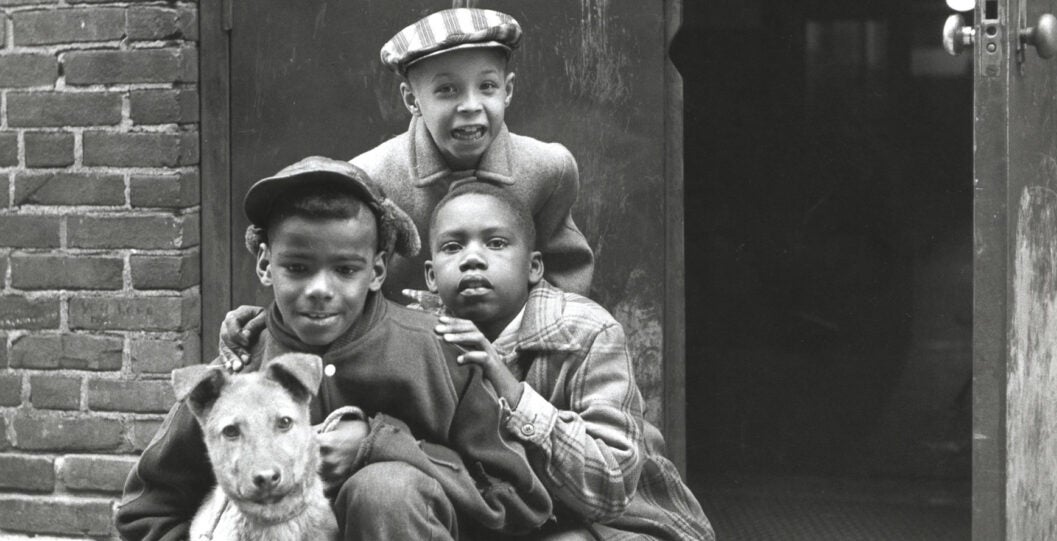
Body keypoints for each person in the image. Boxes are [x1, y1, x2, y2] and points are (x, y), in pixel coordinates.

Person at [115, 157, 552, 541]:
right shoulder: (238, 374)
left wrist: (382, 444)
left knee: (386, 491)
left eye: (345, 269)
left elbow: (518, 501)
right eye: (298, 268)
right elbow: (147, 509)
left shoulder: (431, 352)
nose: (320, 290)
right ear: (267, 265)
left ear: (377, 270)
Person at [427, 182, 714, 540]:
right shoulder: (422, 336)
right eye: (452, 247)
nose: (471, 258)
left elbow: (612, 488)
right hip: (507, 518)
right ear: (431, 277)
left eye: (496, 243)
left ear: (534, 267)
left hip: (616, 521)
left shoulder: (588, 331)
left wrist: (508, 387)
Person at [356, 6, 594, 301]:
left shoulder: (548, 169)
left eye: (487, 86)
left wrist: (516, 337)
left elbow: (566, 279)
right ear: (411, 99)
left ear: (507, 91)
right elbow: (356, 282)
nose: (471, 105)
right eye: (447, 89)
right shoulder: (371, 177)